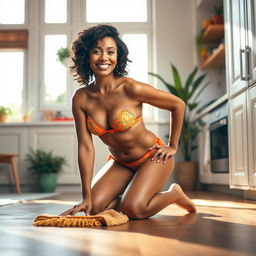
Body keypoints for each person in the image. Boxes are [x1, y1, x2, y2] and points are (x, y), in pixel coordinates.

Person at [60, 24, 196, 219]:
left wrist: (173, 145)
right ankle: (130, 195)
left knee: (135, 209)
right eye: (96, 51)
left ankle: (174, 194)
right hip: (120, 163)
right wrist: (86, 195)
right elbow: (85, 147)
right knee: (94, 208)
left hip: (153, 157)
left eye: (110, 51)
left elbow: (178, 105)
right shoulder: (81, 98)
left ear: (118, 56)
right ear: (86, 56)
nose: (104, 57)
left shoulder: (130, 88)